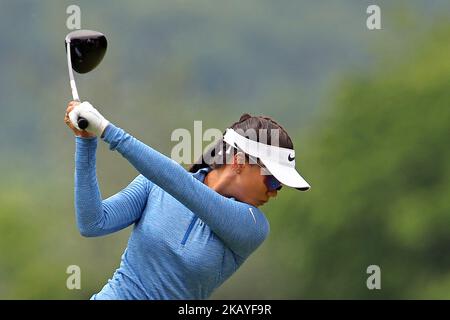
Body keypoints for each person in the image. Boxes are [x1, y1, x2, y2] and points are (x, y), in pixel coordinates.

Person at [64, 100, 310, 300]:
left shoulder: (253, 226)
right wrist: (86, 141)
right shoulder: (156, 184)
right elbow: (93, 222)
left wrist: (108, 130)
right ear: (239, 162)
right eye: (273, 181)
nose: (275, 192)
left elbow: (182, 186)